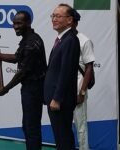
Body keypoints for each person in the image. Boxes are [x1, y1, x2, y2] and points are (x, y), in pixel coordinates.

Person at [0, 11, 47, 150]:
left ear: (28, 23)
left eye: (19, 23)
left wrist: (6, 88)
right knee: (28, 126)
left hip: (34, 89)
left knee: (31, 128)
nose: (15, 26)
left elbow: (22, 72)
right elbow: (16, 58)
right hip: (30, 88)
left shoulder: (32, 43)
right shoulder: (29, 39)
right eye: (14, 23)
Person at [43, 3, 80, 150]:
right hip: (54, 99)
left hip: (60, 101)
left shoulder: (70, 40)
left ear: (69, 20)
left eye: (58, 16)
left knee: (64, 138)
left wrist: (57, 98)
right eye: (53, 16)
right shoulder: (62, 39)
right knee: (60, 137)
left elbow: (66, 72)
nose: (54, 19)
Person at [71, 9, 95, 150]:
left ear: (73, 21)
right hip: (64, 87)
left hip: (78, 85)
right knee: (63, 124)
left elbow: (89, 69)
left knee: (80, 125)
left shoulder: (84, 40)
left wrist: (82, 92)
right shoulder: (61, 39)